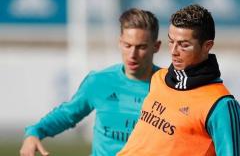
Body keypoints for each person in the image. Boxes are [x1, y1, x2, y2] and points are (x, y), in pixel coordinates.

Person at [19, 8, 161, 156]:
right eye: (128, 45)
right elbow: (67, 114)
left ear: (156, 47)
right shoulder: (99, 82)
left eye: (141, 47)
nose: (132, 54)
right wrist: (34, 133)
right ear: (120, 43)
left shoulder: (170, 86)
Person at [117, 4, 240, 156]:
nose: (173, 51)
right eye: (171, 42)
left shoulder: (220, 104)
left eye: (184, 45)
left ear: (207, 46)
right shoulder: (159, 78)